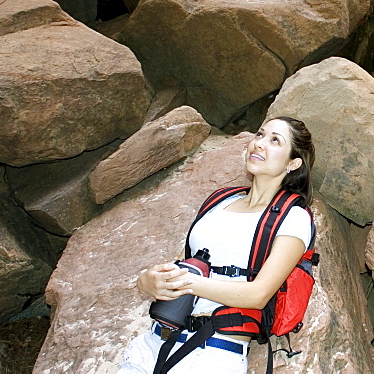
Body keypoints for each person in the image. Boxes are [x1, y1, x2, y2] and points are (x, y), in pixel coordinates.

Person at [118, 116, 315, 374]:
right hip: (155, 343)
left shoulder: (293, 217)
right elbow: (184, 265)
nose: (259, 144)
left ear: (293, 162)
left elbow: (258, 295)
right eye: (259, 134)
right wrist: (147, 281)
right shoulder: (220, 200)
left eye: (274, 140)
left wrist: (186, 283)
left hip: (214, 354)